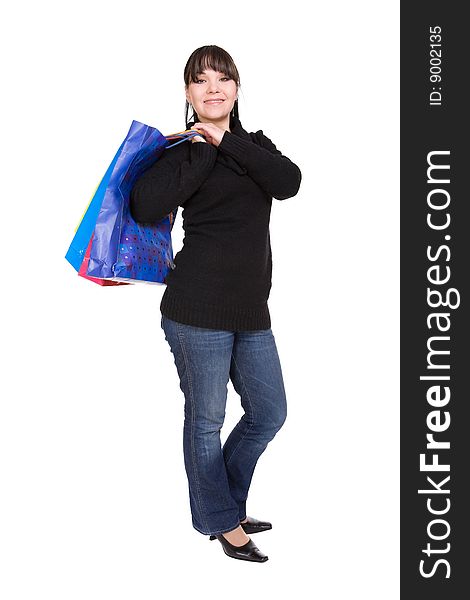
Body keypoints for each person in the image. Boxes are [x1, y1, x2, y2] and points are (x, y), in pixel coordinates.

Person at [130, 45, 301, 563]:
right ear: (187, 93)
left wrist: (228, 142)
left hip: (251, 310)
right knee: (206, 420)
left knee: (269, 413)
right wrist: (203, 151)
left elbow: (288, 183)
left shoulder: (256, 145)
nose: (213, 88)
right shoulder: (180, 151)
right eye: (200, 80)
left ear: (236, 86)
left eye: (222, 78)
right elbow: (144, 205)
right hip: (195, 310)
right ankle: (223, 522)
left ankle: (220, 507)